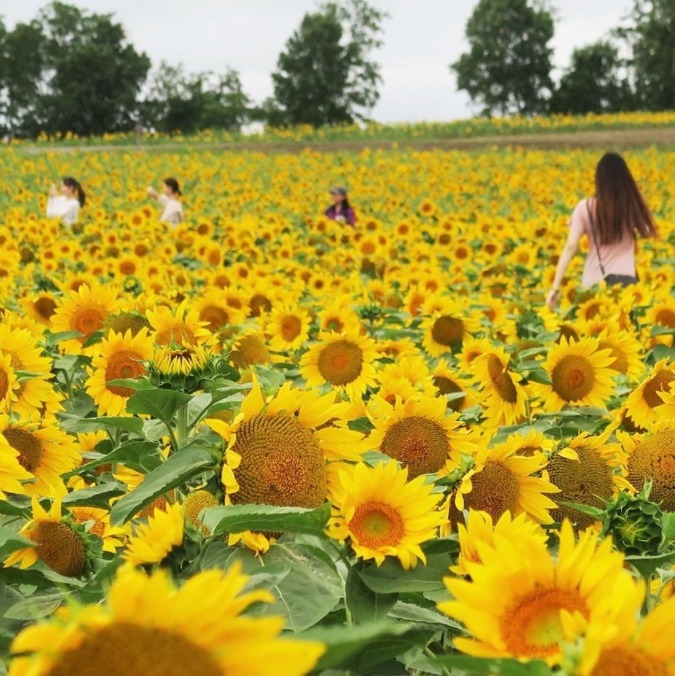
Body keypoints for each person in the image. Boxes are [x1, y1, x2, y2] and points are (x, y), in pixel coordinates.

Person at [546, 152, 657, 310]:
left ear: (598, 179)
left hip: (594, 284)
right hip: (626, 284)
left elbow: (571, 247)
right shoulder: (631, 206)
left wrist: (555, 287)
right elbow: (646, 231)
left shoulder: (584, 208)